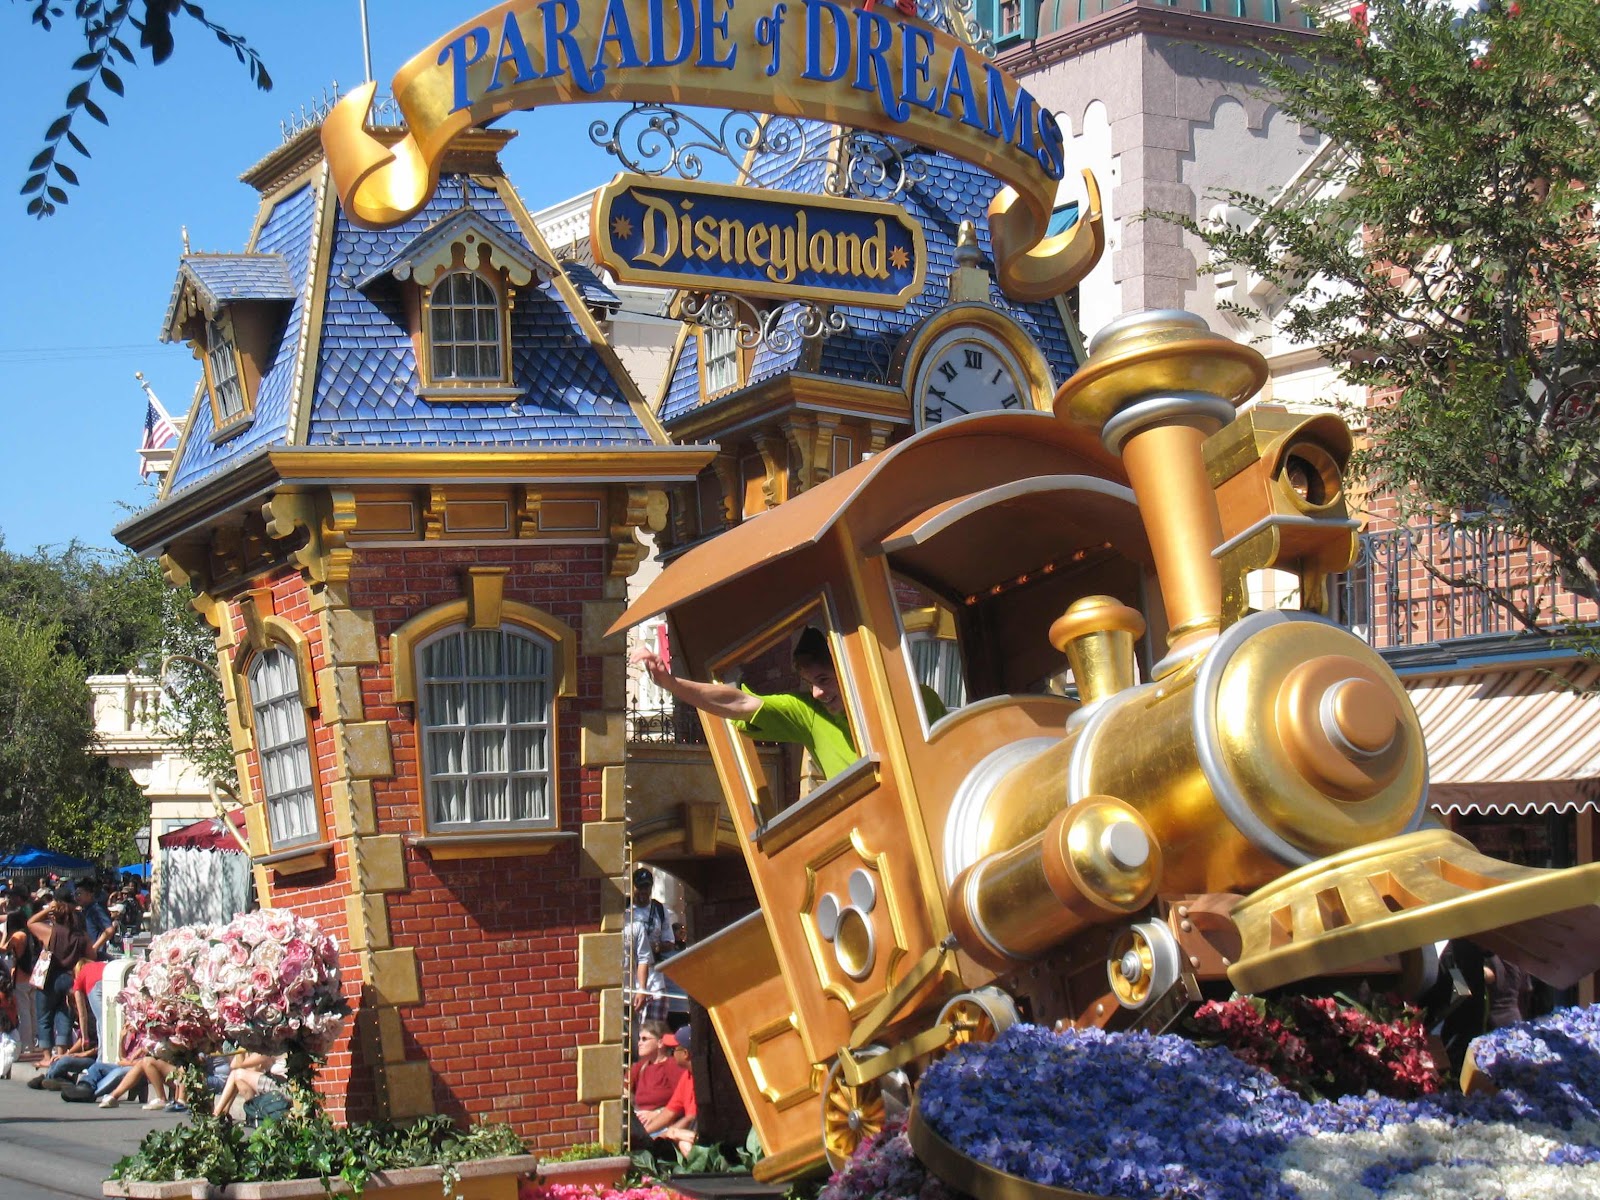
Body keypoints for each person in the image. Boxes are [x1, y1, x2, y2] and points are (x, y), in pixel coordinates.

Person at [639, 627, 945, 784]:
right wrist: (672, 684)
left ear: (850, 670)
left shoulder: (916, 698)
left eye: (823, 679)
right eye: (809, 683)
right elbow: (739, 702)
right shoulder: (809, 713)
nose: (816, 693)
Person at [27, 893, 92, 1064]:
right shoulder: (82, 936)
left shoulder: (50, 932)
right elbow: (92, 955)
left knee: (44, 1016)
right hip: (71, 978)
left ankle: (47, 1056)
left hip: (50, 977)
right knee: (65, 1015)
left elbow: (31, 923)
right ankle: (61, 1053)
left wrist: (47, 910)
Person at [626, 869, 670, 1028]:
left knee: (653, 1032)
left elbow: (669, 942)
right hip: (629, 983)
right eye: (640, 887)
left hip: (655, 981)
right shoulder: (624, 909)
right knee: (633, 1036)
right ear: (633, 887)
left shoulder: (659, 909)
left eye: (647, 887)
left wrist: (654, 946)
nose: (643, 891)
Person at [628, 1020, 684, 1120]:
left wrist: (657, 1114)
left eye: (644, 1039)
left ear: (660, 1043)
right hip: (640, 1121)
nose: (639, 1043)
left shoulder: (672, 1065)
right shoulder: (640, 1067)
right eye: (639, 1039)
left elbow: (683, 1100)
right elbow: (621, 1091)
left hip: (664, 1123)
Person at [74, 879, 114, 961]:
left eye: (79, 894)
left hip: (96, 956)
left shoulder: (95, 909)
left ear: (89, 894)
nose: (77, 897)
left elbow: (109, 930)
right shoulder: (84, 910)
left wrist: (94, 948)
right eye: (75, 894)